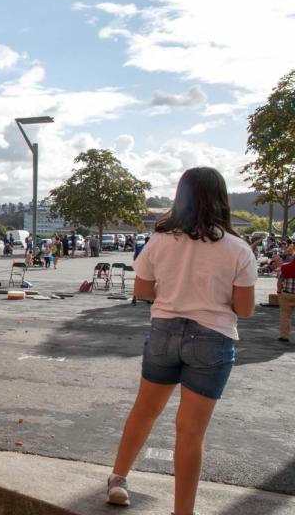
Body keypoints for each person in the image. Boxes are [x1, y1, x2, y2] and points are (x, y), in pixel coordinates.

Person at [107, 168, 257, 514]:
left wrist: (176, 291)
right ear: (222, 199)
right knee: (190, 432)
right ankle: (182, 511)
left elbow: (143, 290)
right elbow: (245, 310)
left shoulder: (160, 240)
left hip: (164, 330)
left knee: (144, 410)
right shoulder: (238, 248)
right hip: (212, 338)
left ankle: (118, 479)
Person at [277, 255, 295, 343]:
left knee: (285, 316)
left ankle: (284, 336)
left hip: (287, 294)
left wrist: (279, 292)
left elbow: (280, 281)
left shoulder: (285, 267)